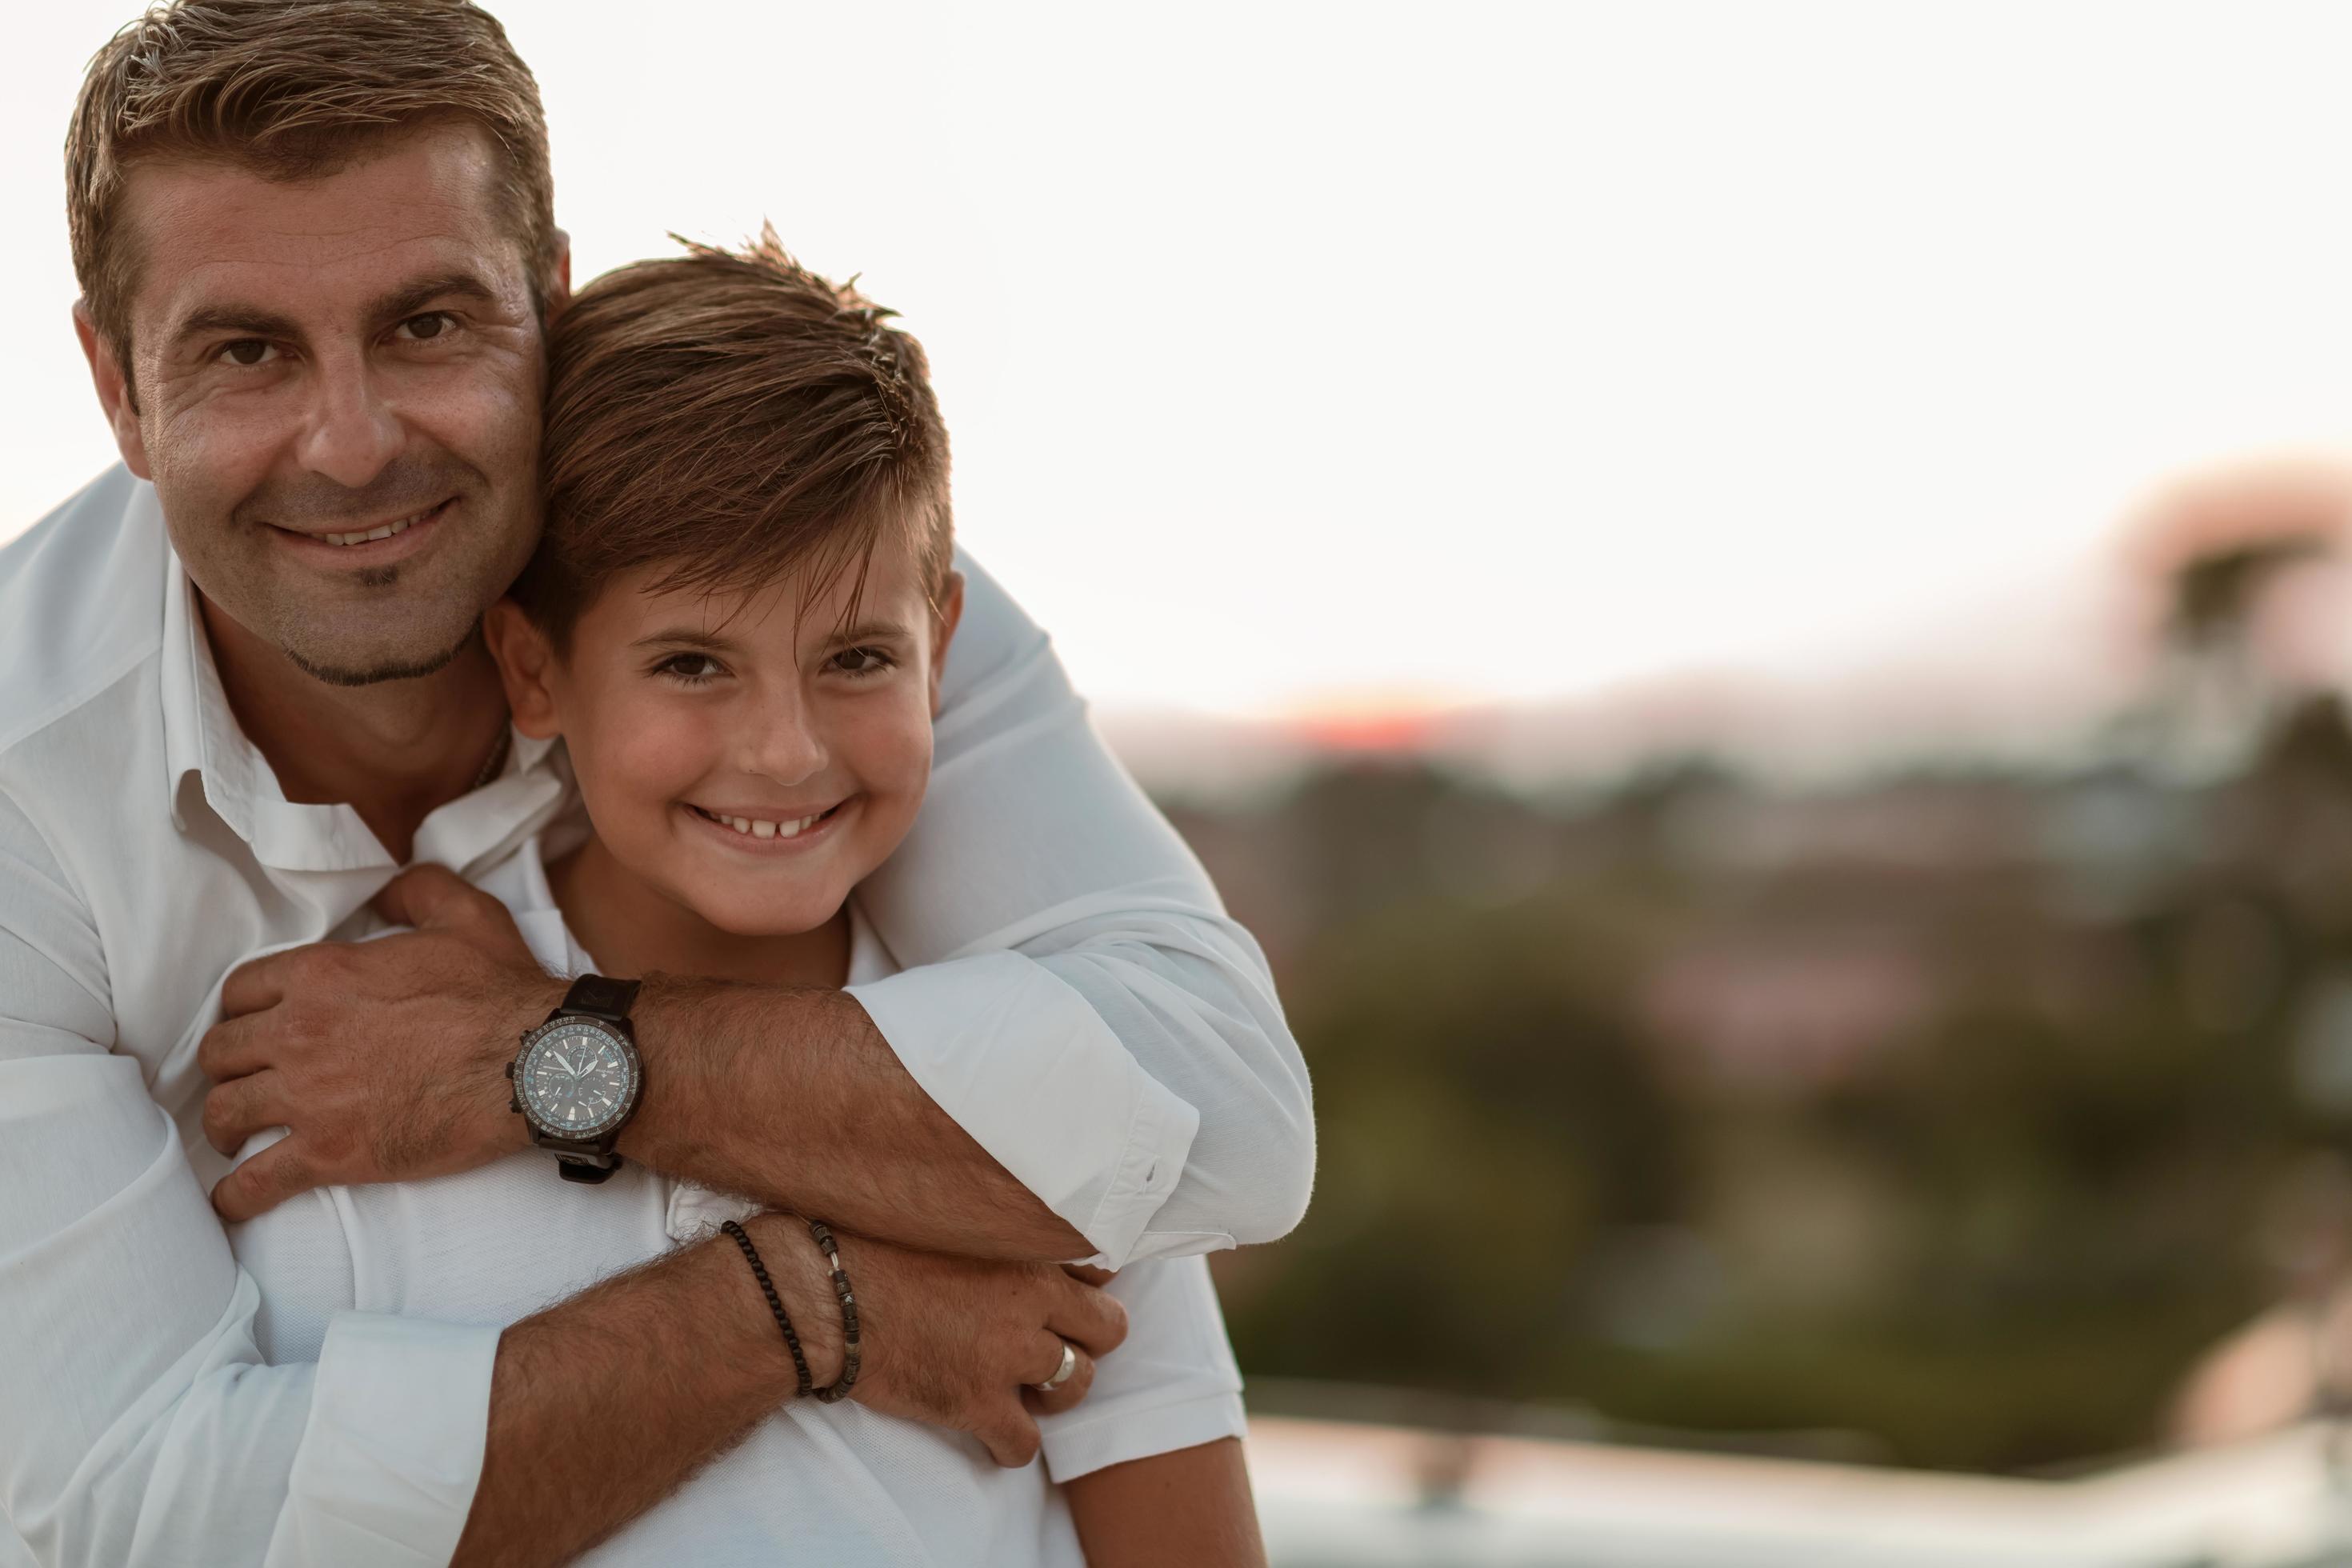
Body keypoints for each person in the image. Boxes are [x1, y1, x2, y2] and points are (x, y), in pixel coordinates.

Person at [0, 4, 1312, 1565]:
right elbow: (128, 1511)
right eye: (245, 349)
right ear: (116, 384)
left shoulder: (795, 578)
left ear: (547, 298)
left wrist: (556, 1062)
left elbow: (1219, 1122)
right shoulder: (28, 801)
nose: (350, 446)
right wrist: (810, 1294)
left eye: (428, 323)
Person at [229, 229, 1266, 1566]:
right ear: (535, 671)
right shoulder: (359, 1058)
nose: (787, 751)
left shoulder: (1040, 1115)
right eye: (691, 665)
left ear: (941, 649)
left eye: (855, 657)